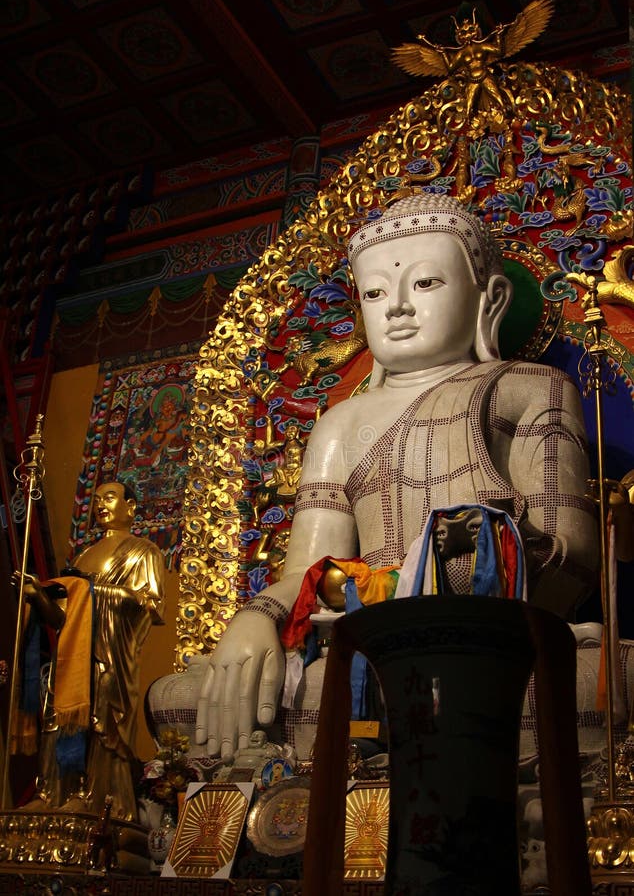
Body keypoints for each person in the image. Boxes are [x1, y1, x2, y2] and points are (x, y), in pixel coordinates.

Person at [195, 192, 598, 763]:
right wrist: (258, 616)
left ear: (491, 298)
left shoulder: (533, 388)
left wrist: (473, 556)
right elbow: (310, 575)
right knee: (188, 698)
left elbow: (575, 556)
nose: (397, 307)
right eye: (376, 293)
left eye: (426, 284)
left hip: (499, 641)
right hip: (366, 648)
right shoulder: (339, 424)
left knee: (604, 682)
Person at [15, 481, 165, 820]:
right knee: (59, 718)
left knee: (100, 721)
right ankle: (50, 792)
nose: (101, 504)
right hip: (72, 654)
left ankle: (95, 797)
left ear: (130, 507)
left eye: (110, 497)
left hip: (110, 654)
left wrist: (94, 592)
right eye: (96, 500)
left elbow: (151, 606)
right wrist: (38, 594)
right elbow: (63, 615)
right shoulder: (84, 555)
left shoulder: (144, 551)